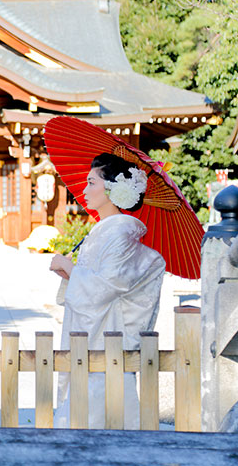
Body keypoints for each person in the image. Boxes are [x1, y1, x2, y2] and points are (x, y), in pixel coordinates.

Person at [49, 153, 166, 429]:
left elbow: (105, 289)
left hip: (105, 338)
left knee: (98, 413)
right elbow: (97, 284)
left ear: (113, 189)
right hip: (89, 334)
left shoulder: (119, 235)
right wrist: (70, 273)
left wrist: (71, 268)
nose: (84, 190)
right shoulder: (104, 232)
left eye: (91, 183)